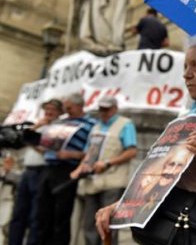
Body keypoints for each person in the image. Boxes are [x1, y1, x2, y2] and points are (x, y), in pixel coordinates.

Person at [95, 32, 196, 244]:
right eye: (185, 66)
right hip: (159, 225)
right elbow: (154, 177)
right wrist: (120, 207)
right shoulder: (186, 116)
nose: (187, 74)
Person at [70, 95, 137, 245]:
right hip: (92, 182)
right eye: (101, 109)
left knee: (108, 225)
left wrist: (107, 163)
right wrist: (79, 169)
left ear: (115, 109)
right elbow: (89, 153)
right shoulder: (96, 127)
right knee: (90, 224)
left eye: (107, 109)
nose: (103, 112)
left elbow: (132, 151)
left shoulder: (125, 124)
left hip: (112, 182)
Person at [32, 94, 95, 245]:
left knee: (61, 213)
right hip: (49, 168)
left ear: (80, 106)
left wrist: (72, 154)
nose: (66, 111)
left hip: (68, 169)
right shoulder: (61, 122)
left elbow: (94, 150)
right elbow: (43, 144)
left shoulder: (92, 124)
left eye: (69, 108)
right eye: (65, 108)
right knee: (42, 211)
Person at [8, 99, 63, 245]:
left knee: (36, 213)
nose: (49, 112)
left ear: (59, 112)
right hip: (28, 171)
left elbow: (48, 149)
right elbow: (23, 138)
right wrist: (37, 127)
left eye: (53, 109)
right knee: (19, 211)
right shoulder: (37, 125)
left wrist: (32, 142)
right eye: (47, 109)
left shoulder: (59, 128)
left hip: (43, 171)